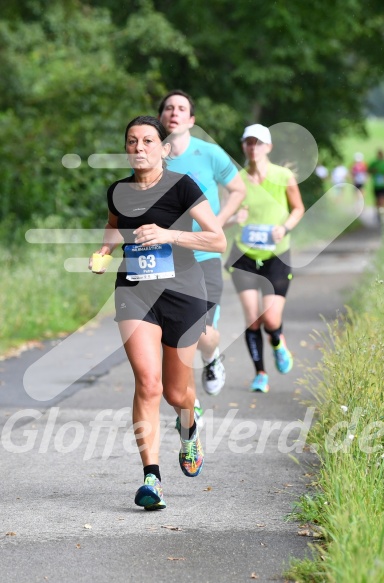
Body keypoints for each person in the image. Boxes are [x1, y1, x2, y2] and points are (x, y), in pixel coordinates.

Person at [90, 116, 226, 510]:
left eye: (148, 140)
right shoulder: (118, 191)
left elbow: (217, 239)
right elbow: (114, 226)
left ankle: (189, 430)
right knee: (148, 384)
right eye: (132, 141)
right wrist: (103, 252)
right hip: (135, 292)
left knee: (175, 392)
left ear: (163, 149)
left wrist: (169, 234)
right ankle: (152, 477)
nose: (139, 147)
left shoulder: (182, 186)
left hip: (183, 293)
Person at [158, 90, 246, 399]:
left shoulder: (208, 153)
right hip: (166, 256)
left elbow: (237, 188)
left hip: (204, 253)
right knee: (172, 331)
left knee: (201, 330)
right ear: (161, 118)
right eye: (168, 107)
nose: (174, 112)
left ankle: (211, 359)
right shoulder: (152, 157)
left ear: (191, 120)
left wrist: (218, 222)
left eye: (181, 108)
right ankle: (186, 404)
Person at [224, 124, 305, 393]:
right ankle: (260, 373)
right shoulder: (236, 180)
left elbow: (298, 208)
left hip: (276, 255)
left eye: (258, 143)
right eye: (248, 142)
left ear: (268, 147)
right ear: (243, 146)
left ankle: (277, 341)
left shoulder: (283, 176)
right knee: (252, 318)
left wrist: (286, 227)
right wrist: (236, 218)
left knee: (270, 319)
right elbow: (220, 220)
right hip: (244, 256)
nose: (253, 147)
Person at [368, 149, 384, 226]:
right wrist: (374, 171)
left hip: (383, 185)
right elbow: (369, 171)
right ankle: (377, 213)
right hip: (376, 185)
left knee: (382, 200)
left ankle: (382, 214)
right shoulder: (374, 163)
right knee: (377, 201)